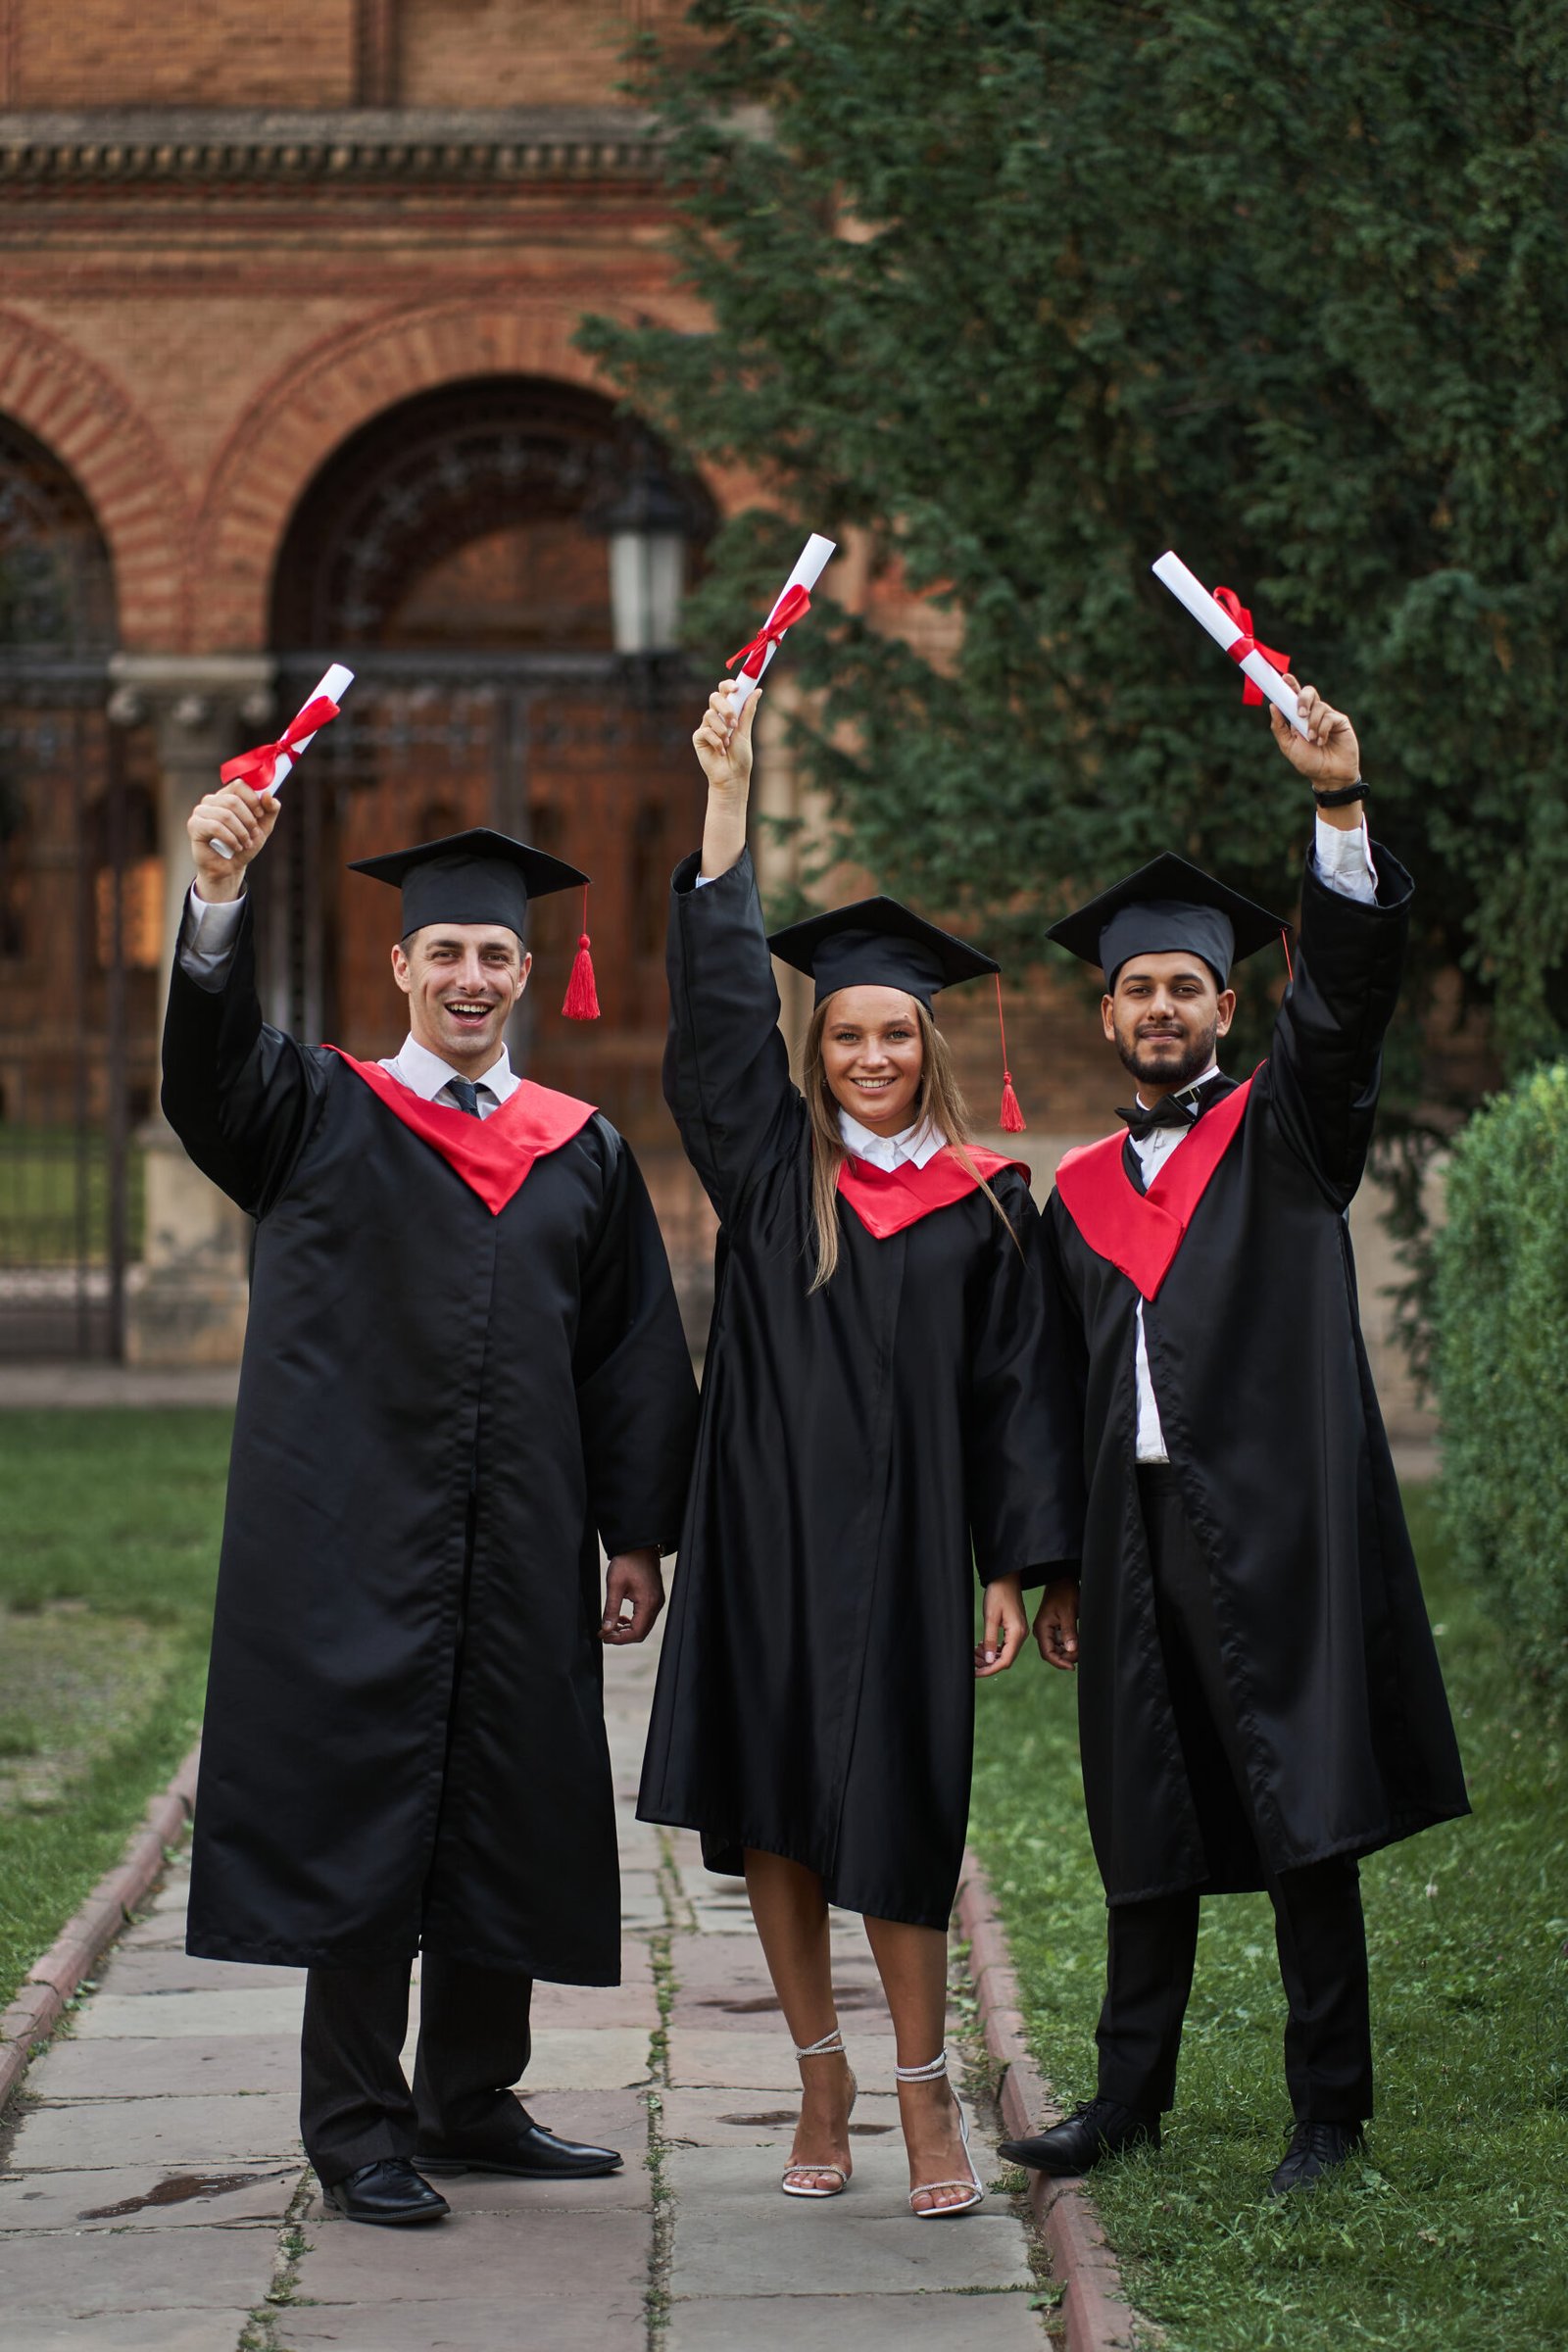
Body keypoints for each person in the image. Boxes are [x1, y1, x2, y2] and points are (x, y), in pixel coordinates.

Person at [164, 781, 698, 2228]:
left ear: (529, 975)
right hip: (352, 1533)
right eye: (444, 953)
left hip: (523, 1526)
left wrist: (638, 1532)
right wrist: (214, 900)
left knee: (506, 1798)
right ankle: (355, 2127)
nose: (470, 978)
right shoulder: (311, 1105)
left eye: (494, 957)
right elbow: (202, 1078)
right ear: (399, 966)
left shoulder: (577, 1147)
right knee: (364, 1811)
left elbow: (633, 1348)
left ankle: (470, 2098)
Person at [999, 677, 1469, 2196]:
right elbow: (1042, 1397)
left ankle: (1329, 2113)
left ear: (1220, 1001)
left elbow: (1342, 1008)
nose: (1157, 1009)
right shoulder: (1071, 1195)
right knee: (1145, 1821)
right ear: (1108, 1009)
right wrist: (1053, 1564)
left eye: (1182, 989)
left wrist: (1338, 812)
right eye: (1134, 989)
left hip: (1277, 1522)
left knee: (1303, 1813)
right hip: (1132, 1538)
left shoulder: (1285, 1133)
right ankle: (1126, 2098)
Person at [638, 682, 1083, 2218]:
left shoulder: (986, 1204)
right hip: (763, 1530)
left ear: (927, 1042)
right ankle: (819, 2076)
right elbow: (709, 1021)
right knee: (773, 1805)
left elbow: (1020, 1392)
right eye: (849, 1034)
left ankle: (922, 2091)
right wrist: (728, 803)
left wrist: (1019, 1563)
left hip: (906, 1551)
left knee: (901, 1811)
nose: (875, 1055)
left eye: (897, 1031)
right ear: (816, 1050)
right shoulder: (771, 1175)